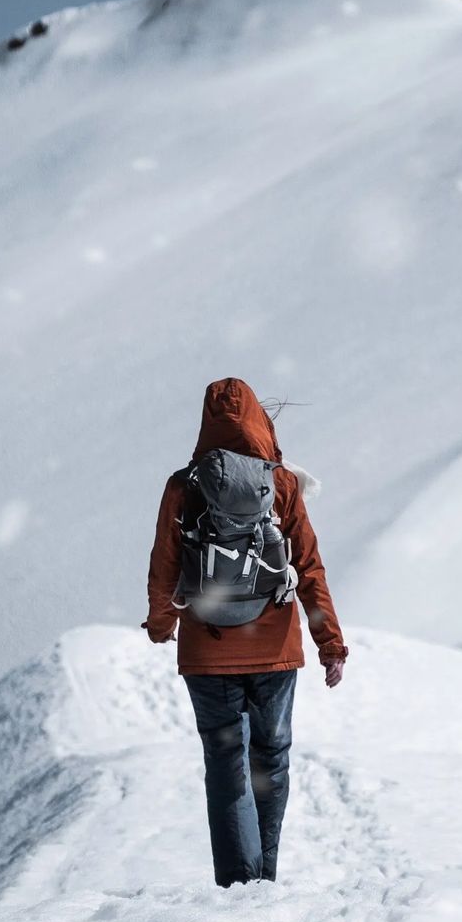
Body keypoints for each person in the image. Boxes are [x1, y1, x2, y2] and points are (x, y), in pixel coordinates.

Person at [143, 377, 347, 888]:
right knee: (270, 761)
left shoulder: (184, 485)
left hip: (206, 651)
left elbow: (164, 567)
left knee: (226, 760)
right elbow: (310, 568)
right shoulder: (279, 483)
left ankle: (238, 885)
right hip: (275, 650)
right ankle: (265, 882)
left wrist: (162, 624)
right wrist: (330, 645)